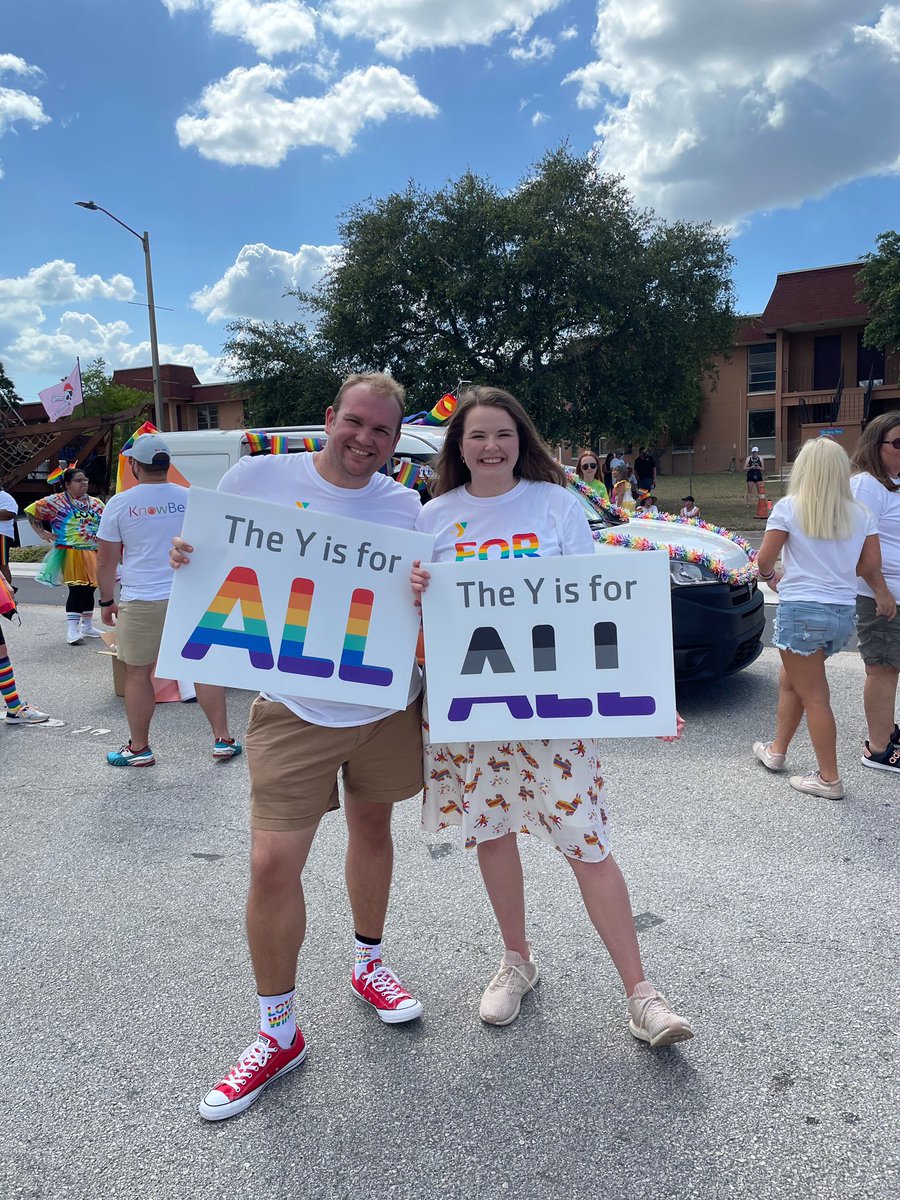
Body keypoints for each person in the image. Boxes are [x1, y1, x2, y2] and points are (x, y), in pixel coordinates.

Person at [170, 373, 426, 1121]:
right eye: (356, 422)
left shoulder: (405, 506)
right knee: (271, 864)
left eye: (382, 431)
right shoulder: (257, 479)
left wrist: (424, 587)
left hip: (384, 705)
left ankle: (368, 965)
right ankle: (277, 1033)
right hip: (294, 708)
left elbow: (422, 602)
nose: (366, 440)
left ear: (395, 439)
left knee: (373, 831)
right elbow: (214, 557)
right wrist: (190, 557)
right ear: (329, 417)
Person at [411, 386, 693, 1045]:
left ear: (522, 440)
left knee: (585, 840)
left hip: (552, 712)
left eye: (503, 434)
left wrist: (643, 694)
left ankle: (641, 994)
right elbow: (414, 621)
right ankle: (517, 961)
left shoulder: (555, 504)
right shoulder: (434, 517)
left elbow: (594, 608)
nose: (491, 446)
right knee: (493, 833)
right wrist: (415, 591)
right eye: (477, 435)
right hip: (475, 709)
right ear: (459, 446)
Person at [752, 437, 895, 799]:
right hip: (841, 613)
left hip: (801, 611)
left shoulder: (789, 508)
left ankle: (829, 779)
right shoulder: (860, 514)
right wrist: (838, 571)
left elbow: (764, 561)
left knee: (814, 695)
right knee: (793, 679)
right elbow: (870, 565)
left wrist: (771, 577)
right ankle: (777, 750)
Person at [96, 433, 241, 768]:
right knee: (202, 666)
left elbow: (106, 561)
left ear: (135, 465)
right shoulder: (192, 498)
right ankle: (222, 739)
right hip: (190, 596)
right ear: (167, 464)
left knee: (138, 673)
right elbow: (214, 547)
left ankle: (139, 748)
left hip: (142, 599)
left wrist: (106, 601)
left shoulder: (119, 503)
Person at [849, 412, 900, 771]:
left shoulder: (893, 483)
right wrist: (881, 592)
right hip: (880, 595)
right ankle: (878, 749)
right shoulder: (867, 485)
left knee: (892, 665)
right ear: (875, 446)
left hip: (892, 593)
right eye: (898, 443)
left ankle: (888, 731)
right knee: (882, 668)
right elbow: (858, 548)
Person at [25, 468, 104, 645]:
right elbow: (32, 511)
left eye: (85, 479)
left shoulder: (96, 503)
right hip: (71, 551)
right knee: (77, 589)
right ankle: (72, 630)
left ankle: (87, 626)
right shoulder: (56, 501)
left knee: (89, 588)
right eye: (78, 480)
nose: (84, 483)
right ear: (67, 485)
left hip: (94, 551)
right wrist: (42, 533)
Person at [0, 487, 18, 590]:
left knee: (2, 564)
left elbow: (10, 514)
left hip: (2, 534)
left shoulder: (5, 497)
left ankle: (7, 592)